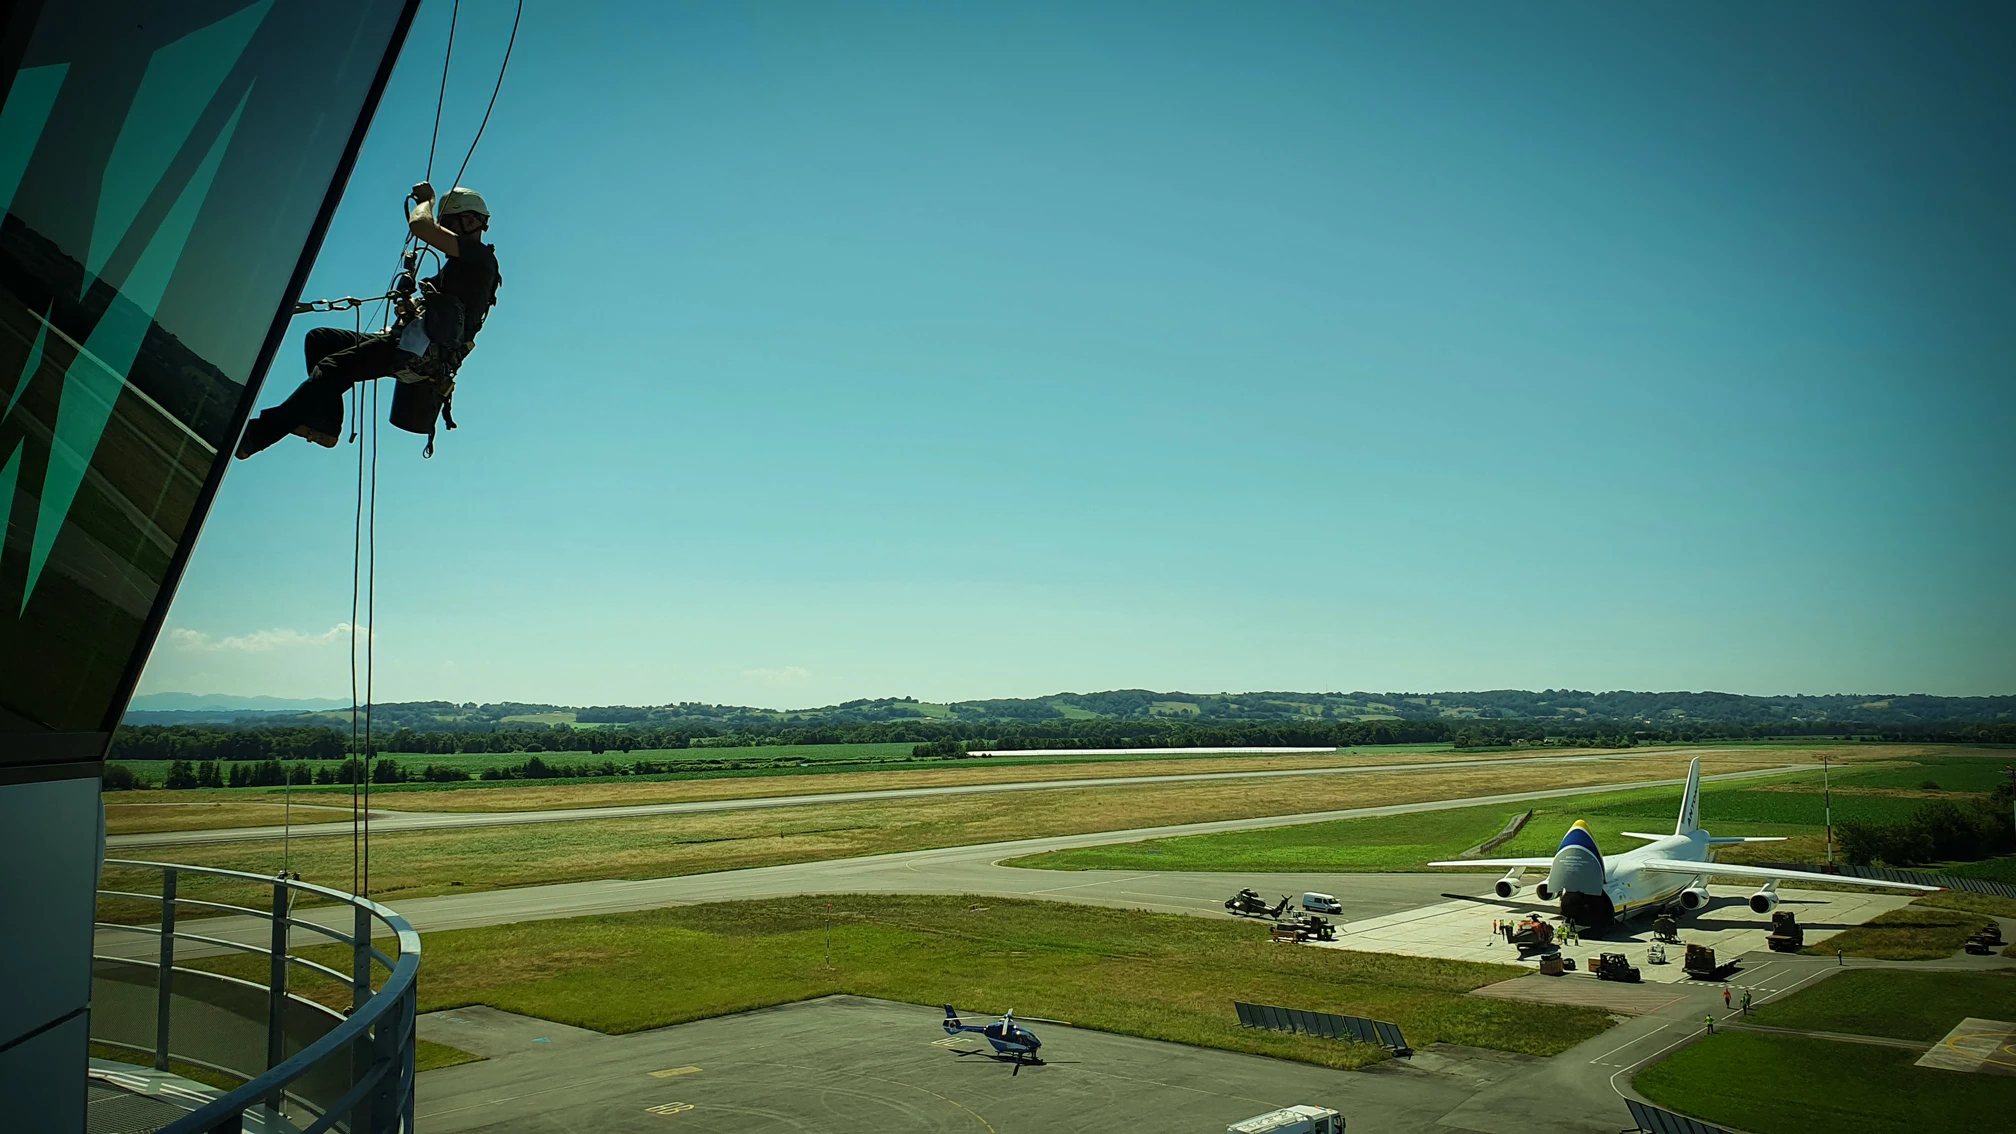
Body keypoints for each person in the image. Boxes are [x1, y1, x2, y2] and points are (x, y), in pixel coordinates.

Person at [236, 182, 500, 458]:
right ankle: (326, 424)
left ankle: (258, 436)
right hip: (415, 344)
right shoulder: (461, 266)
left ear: (469, 221)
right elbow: (448, 314)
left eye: (447, 224)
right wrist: (412, 309)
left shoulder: (478, 257)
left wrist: (428, 201)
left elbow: (421, 226)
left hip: (421, 353)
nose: (443, 232)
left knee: (333, 368)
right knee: (322, 340)